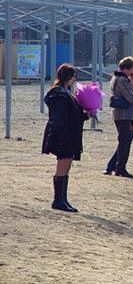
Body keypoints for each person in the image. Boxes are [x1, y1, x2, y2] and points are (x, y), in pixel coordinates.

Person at [42, 64, 89, 212]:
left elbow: (73, 115)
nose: (75, 80)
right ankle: (58, 200)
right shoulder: (60, 94)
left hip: (68, 134)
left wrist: (87, 114)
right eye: (74, 77)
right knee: (62, 166)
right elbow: (60, 118)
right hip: (63, 135)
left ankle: (63, 198)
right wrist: (62, 137)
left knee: (67, 165)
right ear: (68, 77)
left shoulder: (66, 93)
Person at [106, 57, 133, 178]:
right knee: (124, 143)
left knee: (124, 142)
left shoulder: (117, 78)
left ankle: (116, 167)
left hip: (123, 114)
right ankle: (120, 168)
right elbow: (131, 97)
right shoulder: (122, 80)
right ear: (128, 68)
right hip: (125, 114)